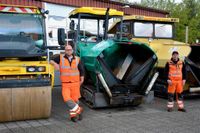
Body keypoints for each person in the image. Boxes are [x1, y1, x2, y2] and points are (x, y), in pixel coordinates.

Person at [50, 42, 84, 122]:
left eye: (69, 50)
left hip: (75, 83)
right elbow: (50, 60)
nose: (68, 51)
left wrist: (82, 78)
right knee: (66, 98)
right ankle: (79, 110)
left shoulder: (77, 59)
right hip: (65, 84)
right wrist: (55, 64)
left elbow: (81, 69)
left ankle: (74, 116)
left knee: (75, 100)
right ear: (65, 51)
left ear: (72, 50)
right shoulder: (60, 57)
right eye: (66, 50)